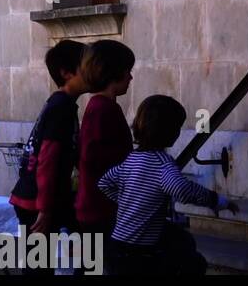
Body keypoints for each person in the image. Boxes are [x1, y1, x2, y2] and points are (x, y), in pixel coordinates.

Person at [99, 95, 238, 275]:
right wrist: (217, 200)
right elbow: (182, 190)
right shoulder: (162, 163)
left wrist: (130, 202)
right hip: (141, 254)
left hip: (116, 247)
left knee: (180, 240)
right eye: (177, 128)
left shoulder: (131, 159)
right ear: (169, 131)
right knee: (192, 260)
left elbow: (105, 182)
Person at [9, 40, 88, 268]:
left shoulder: (63, 104)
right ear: (66, 73)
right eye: (86, 66)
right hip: (37, 199)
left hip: (42, 197)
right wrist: (44, 208)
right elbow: (48, 158)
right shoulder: (61, 107)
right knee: (39, 267)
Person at [75, 41, 135, 256]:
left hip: (98, 207)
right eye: (128, 71)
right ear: (115, 72)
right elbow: (95, 159)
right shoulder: (103, 109)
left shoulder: (102, 107)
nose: (130, 78)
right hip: (100, 209)